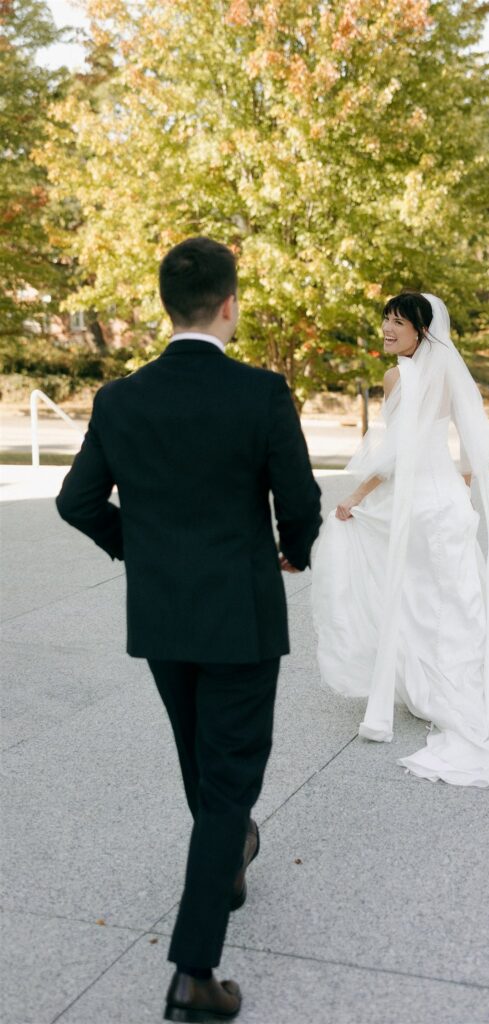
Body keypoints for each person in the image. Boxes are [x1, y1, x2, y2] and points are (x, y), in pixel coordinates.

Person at [56, 236, 322, 1022]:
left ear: (166, 308)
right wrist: (292, 553)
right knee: (230, 775)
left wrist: (141, 548)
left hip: (163, 614)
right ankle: (193, 974)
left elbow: (76, 503)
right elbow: (298, 500)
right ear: (230, 304)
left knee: (201, 761)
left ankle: (227, 861)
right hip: (239, 613)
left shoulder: (119, 398)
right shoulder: (262, 392)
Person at [311, 291, 489, 787]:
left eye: (399, 322)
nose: (388, 330)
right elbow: (472, 439)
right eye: (385, 321)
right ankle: (462, 689)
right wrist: (461, 478)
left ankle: (435, 691)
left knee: (420, 597)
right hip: (451, 507)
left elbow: (395, 454)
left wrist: (355, 495)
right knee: (456, 596)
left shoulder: (399, 376)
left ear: (422, 330)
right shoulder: (449, 370)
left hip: (419, 504)